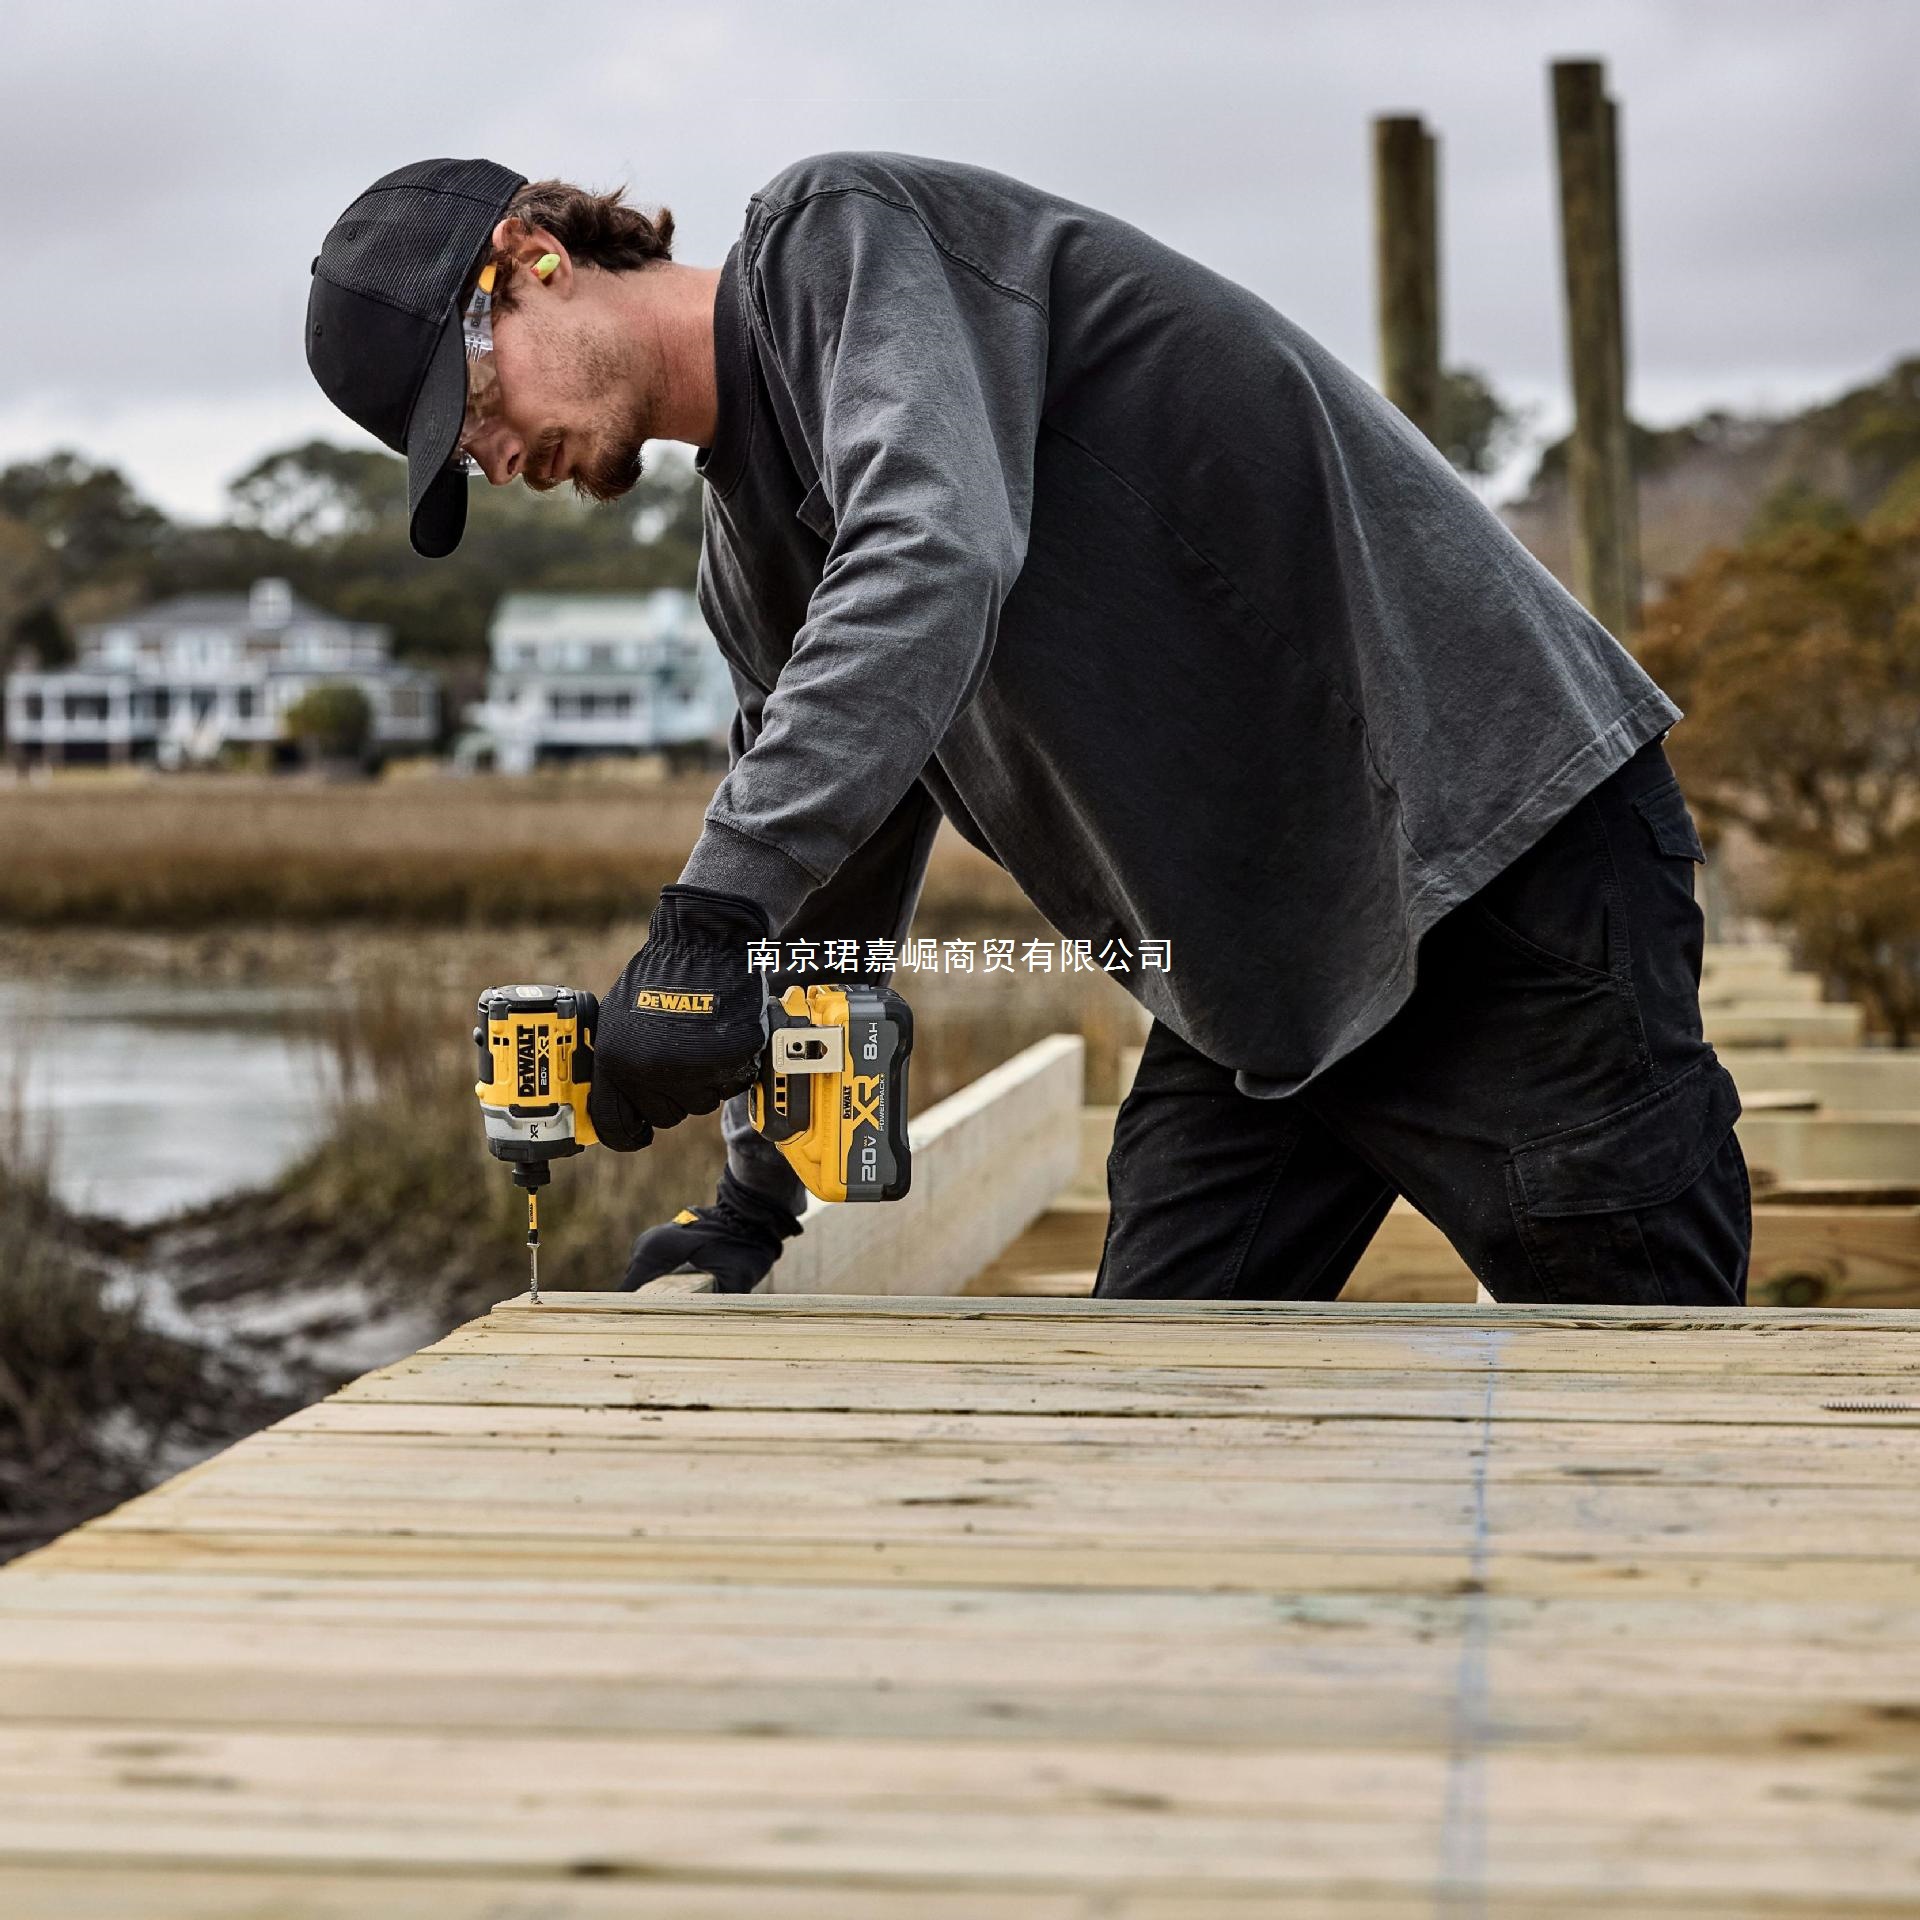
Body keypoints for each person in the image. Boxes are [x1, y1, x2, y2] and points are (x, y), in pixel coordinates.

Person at [305, 153, 1750, 1307]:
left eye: (472, 405)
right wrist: (757, 1185)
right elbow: (834, 845)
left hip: (1490, 869)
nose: (493, 461)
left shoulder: (843, 243)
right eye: (457, 461)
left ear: (537, 261)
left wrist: (703, 922)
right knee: (1143, 1425)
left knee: (1638, 1414)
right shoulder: (746, 553)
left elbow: (932, 552)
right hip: (1253, 977)